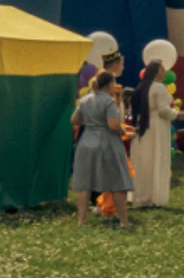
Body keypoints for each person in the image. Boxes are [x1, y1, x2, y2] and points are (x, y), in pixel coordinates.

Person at [72, 71, 132, 227]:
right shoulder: (109, 101)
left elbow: (75, 119)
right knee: (118, 182)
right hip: (107, 142)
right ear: (110, 85)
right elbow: (113, 125)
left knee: (84, 183)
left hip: (87, 141)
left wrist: (91, 122)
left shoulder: (85, 100)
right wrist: (124, 132)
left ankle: (82, 220)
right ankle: (124, 221)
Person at [130, 59, 177, 208]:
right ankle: (155, 197)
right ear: (157, 72)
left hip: (143, 125)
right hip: (157, 125)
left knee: (144, 161)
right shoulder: (159, 87)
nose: (164, 73)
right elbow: (163, 110)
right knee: (157, 158)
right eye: (162, 70)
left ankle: (141, 196)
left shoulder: (141, 87)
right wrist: (177, 114)